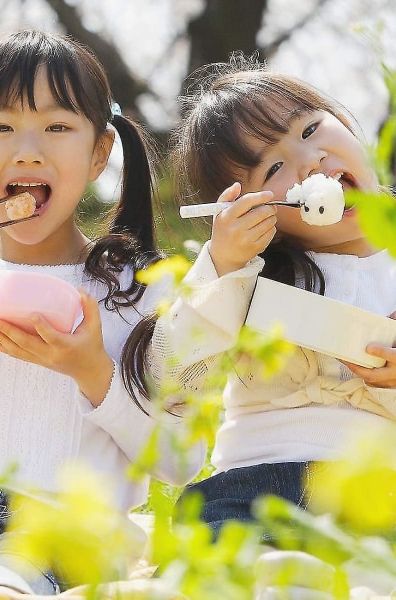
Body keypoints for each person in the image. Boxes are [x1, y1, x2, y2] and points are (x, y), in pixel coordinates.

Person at [0, 30, 205, 595]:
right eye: (1, 127)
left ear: (100, 153)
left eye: (57, 127)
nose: (29, 150)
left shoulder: (143, 294)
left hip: (66, 528)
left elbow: (181, 460)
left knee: (0, 585)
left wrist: (94, 373)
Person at [137, 54, 396, 590]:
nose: (309, 162)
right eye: (272, 170)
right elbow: (172, 383)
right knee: (208, 551)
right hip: (257, 484)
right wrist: (224, 266)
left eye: (309, 129)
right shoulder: (252, 279)